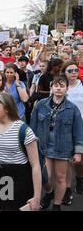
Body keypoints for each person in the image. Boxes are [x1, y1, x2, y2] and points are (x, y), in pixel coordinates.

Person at [0, 92, 41, 211]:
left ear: (7, 109)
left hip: (19, 176)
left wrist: (37, 197)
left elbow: (35, 165)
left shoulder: (24, 130)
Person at [30, 75, 83, 211]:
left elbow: (78, 131)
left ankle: (57, 204)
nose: (59, 88)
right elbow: (33, 127)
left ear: (67, 89)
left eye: (62, 86)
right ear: (51, 87)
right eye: (56, 85)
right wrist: (31, 145)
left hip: (63, 147)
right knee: (45, 177)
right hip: (43, 146)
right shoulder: (41, 105)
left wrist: (78, 152)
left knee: (60, 178)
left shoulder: (73, 109)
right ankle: (48, 193)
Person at [62, 60, 83, 202]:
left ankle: (80, 179)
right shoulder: (60, 86)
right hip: (65, 126)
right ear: (64, 73)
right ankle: (67, 189)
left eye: (75, 70)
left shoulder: (82, 86)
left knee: (80, 159)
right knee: (68, 159)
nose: (73, 73)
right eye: (70, 71)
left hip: (81, 126)